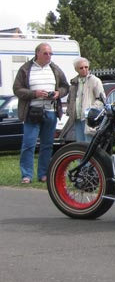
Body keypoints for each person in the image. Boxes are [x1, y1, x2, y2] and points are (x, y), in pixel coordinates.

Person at [13, 42, 69, 184]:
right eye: (45, 53)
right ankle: (26, 175)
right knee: (28, 144)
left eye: (50, 53)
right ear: (37, 53)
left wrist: (58, 93)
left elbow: (65, 86)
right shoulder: (26, 69)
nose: (48, 56)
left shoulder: (55, 68)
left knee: (47, 145)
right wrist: (34, 93)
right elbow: (17, 89)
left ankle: (43, 174)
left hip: (50, 112)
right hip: (32, 112)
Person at [65, 57, 105, 142]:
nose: (84, 69)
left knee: (88, 142)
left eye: (86, 67)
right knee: (80, 143)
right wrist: (70, 111)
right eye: (81, 68)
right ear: (76, 69)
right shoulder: (74, 82)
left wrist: (91, 110)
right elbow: (70, 99)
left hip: (89, 118)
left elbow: (101, 99)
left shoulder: (95, 80)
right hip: (77, 117)